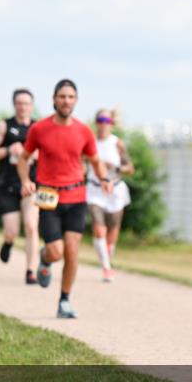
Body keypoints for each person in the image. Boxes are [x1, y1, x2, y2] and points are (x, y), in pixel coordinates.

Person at [19, 79, 111, 318]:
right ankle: (45, 258)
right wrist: (25, 181)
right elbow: (24, 158)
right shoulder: (39, 129)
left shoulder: (84, 131)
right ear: (53, 99)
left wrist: (104, 179)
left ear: (76, 101)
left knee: (71, 251)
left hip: (76, 196)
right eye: (62, 96)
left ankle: (65, 300)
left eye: (70, 97)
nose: (66, 101)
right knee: (56, 251)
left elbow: (95, 161)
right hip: (48, 195)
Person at [0, 89, 40, 284]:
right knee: (12, 231)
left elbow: (50, 154)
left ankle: (31, 270)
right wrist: (8, 150)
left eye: (26, 103)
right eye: (19, 103)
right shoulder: (4, 126)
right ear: (14, 105)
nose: (23, 107)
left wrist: (34, 155)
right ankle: (8, 243)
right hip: (7, 185)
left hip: (31, 185)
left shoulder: (38, 128)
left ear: (31, 106)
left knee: (32, 225)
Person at [86, 108, 134, 283]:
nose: (103, 124)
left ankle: (107, 254)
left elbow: (130, 168)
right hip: (95, 189)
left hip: (115, 190)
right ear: (96, 122)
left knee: (113, 230)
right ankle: (106, 268)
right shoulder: (89, 142)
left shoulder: (117, 144)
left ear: (112, 124)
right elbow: (81, 163)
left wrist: (115, 168)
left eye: (107, 121)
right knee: (99, 229)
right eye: (100, 120)